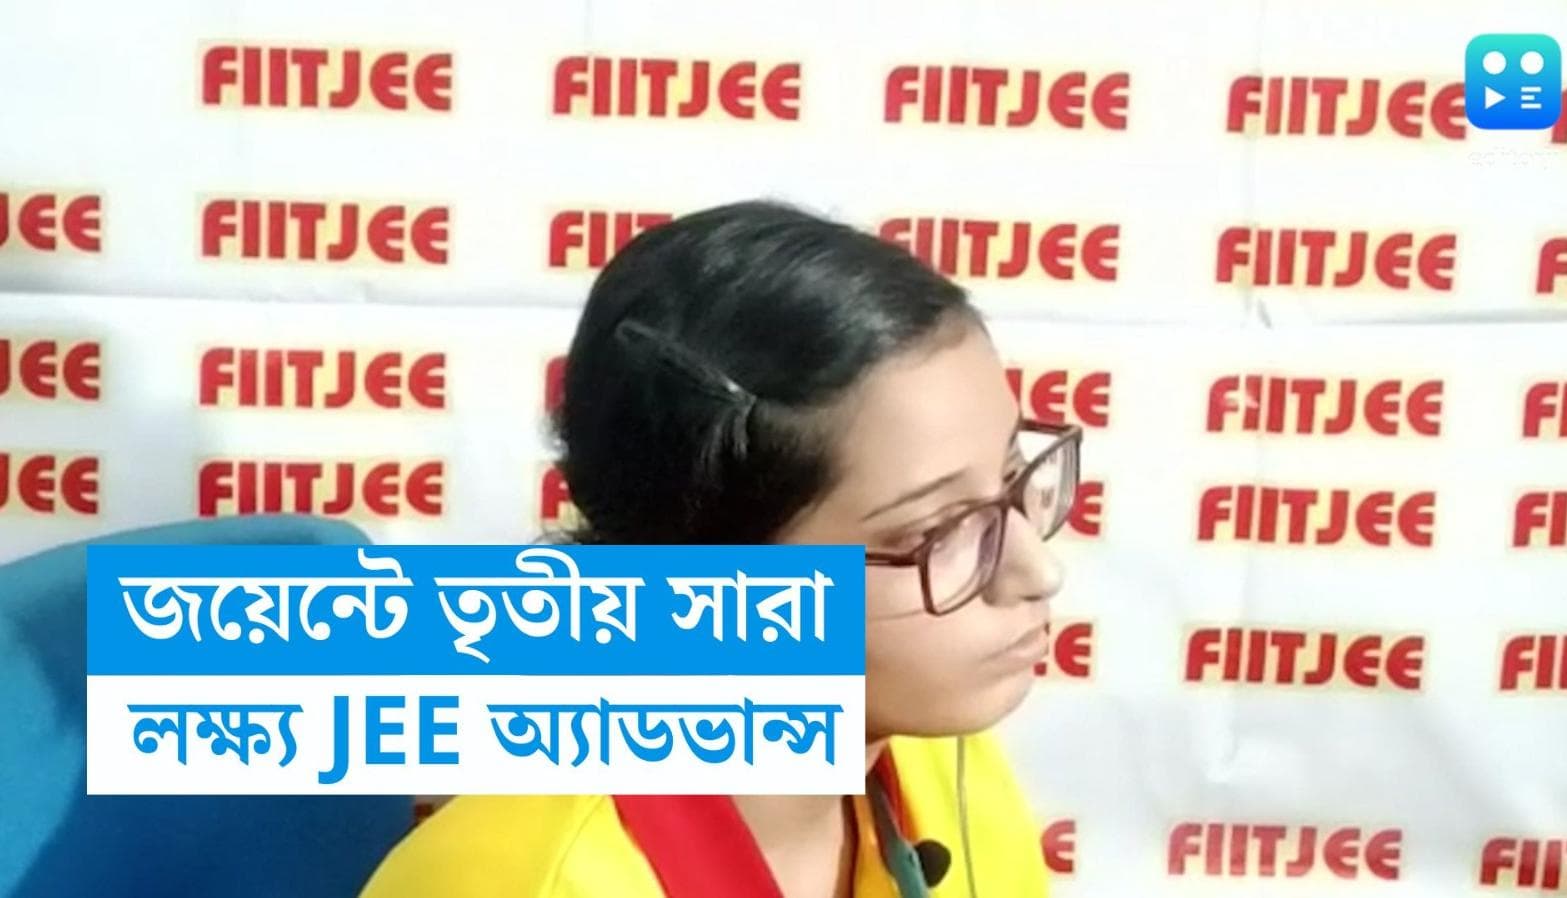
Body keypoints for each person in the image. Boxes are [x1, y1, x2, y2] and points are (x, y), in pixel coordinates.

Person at [359, 200, 1079, 898]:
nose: (1038, 570)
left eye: (1014, 477)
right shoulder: (523, 882)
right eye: (935, 533)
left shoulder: (941, 768)